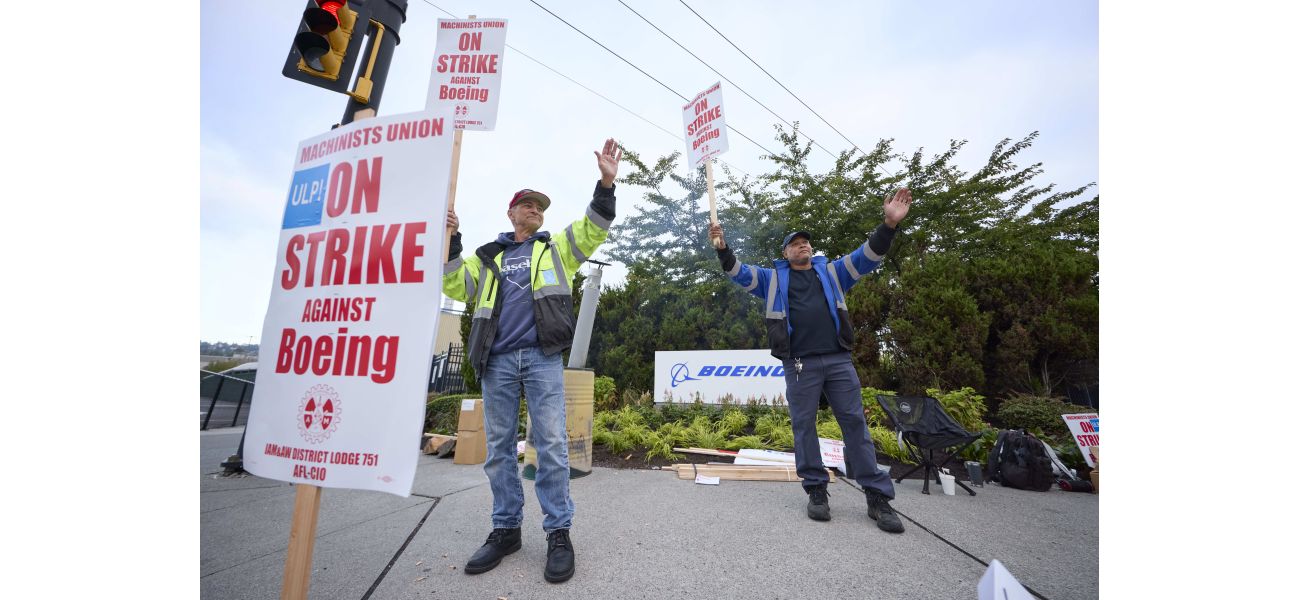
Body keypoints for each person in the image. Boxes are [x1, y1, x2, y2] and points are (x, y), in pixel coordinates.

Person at [442, 138, 622, 582]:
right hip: (498, 361)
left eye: (540, 207)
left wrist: (605, 183)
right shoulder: (489, 259)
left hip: (542, 359)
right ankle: (506, 530)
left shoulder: (555, 248)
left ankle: (558, 532)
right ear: (511, 213)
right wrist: (451, 240)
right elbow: (452, 285)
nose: (536, 211)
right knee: (499, 452)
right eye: (527, 205)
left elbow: (593, 228)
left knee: (553, 447)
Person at [708, 188, 913, 533]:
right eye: (795, 243)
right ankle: (816, 490)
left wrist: (889, 224)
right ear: (785, 253)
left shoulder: (833, 272)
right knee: (804, 427)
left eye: (806, 242)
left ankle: (877, 498)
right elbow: (739, 273)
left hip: (838, 361)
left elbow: (867, 256)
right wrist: (723, 248)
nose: (803, 245)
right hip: (799, 364)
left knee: (855, 426)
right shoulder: (772, 279)